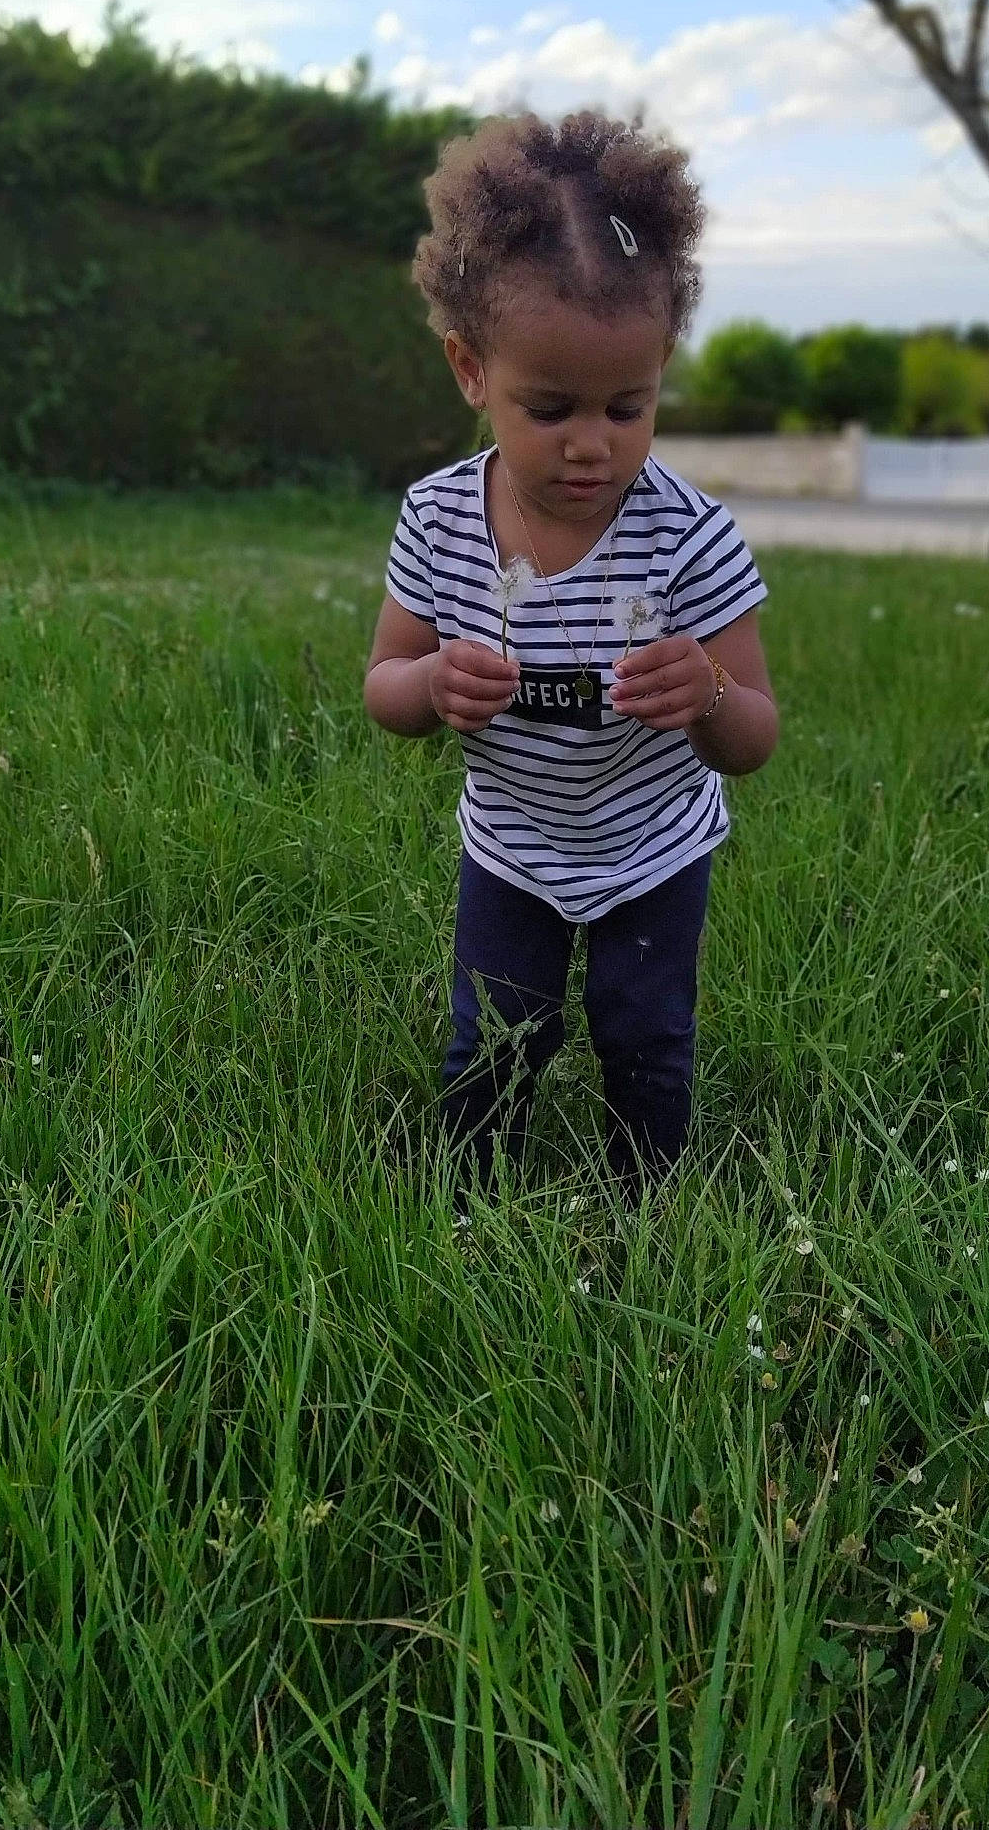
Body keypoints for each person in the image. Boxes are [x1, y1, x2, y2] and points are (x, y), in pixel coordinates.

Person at [363, 109, 779, 1204]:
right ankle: (468, 1206)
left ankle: (648, 1206)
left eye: (627, 405)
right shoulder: (440, 518)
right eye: (548, 409)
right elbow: (383, 687)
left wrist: (709, 691)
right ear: (470, 370)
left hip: (652, 849)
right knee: (493, 1035)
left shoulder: (689, 535)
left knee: (645, 1037)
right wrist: (432, 684)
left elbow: (756, 735)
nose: (591, 442)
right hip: (510, 846)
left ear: (660, 371)